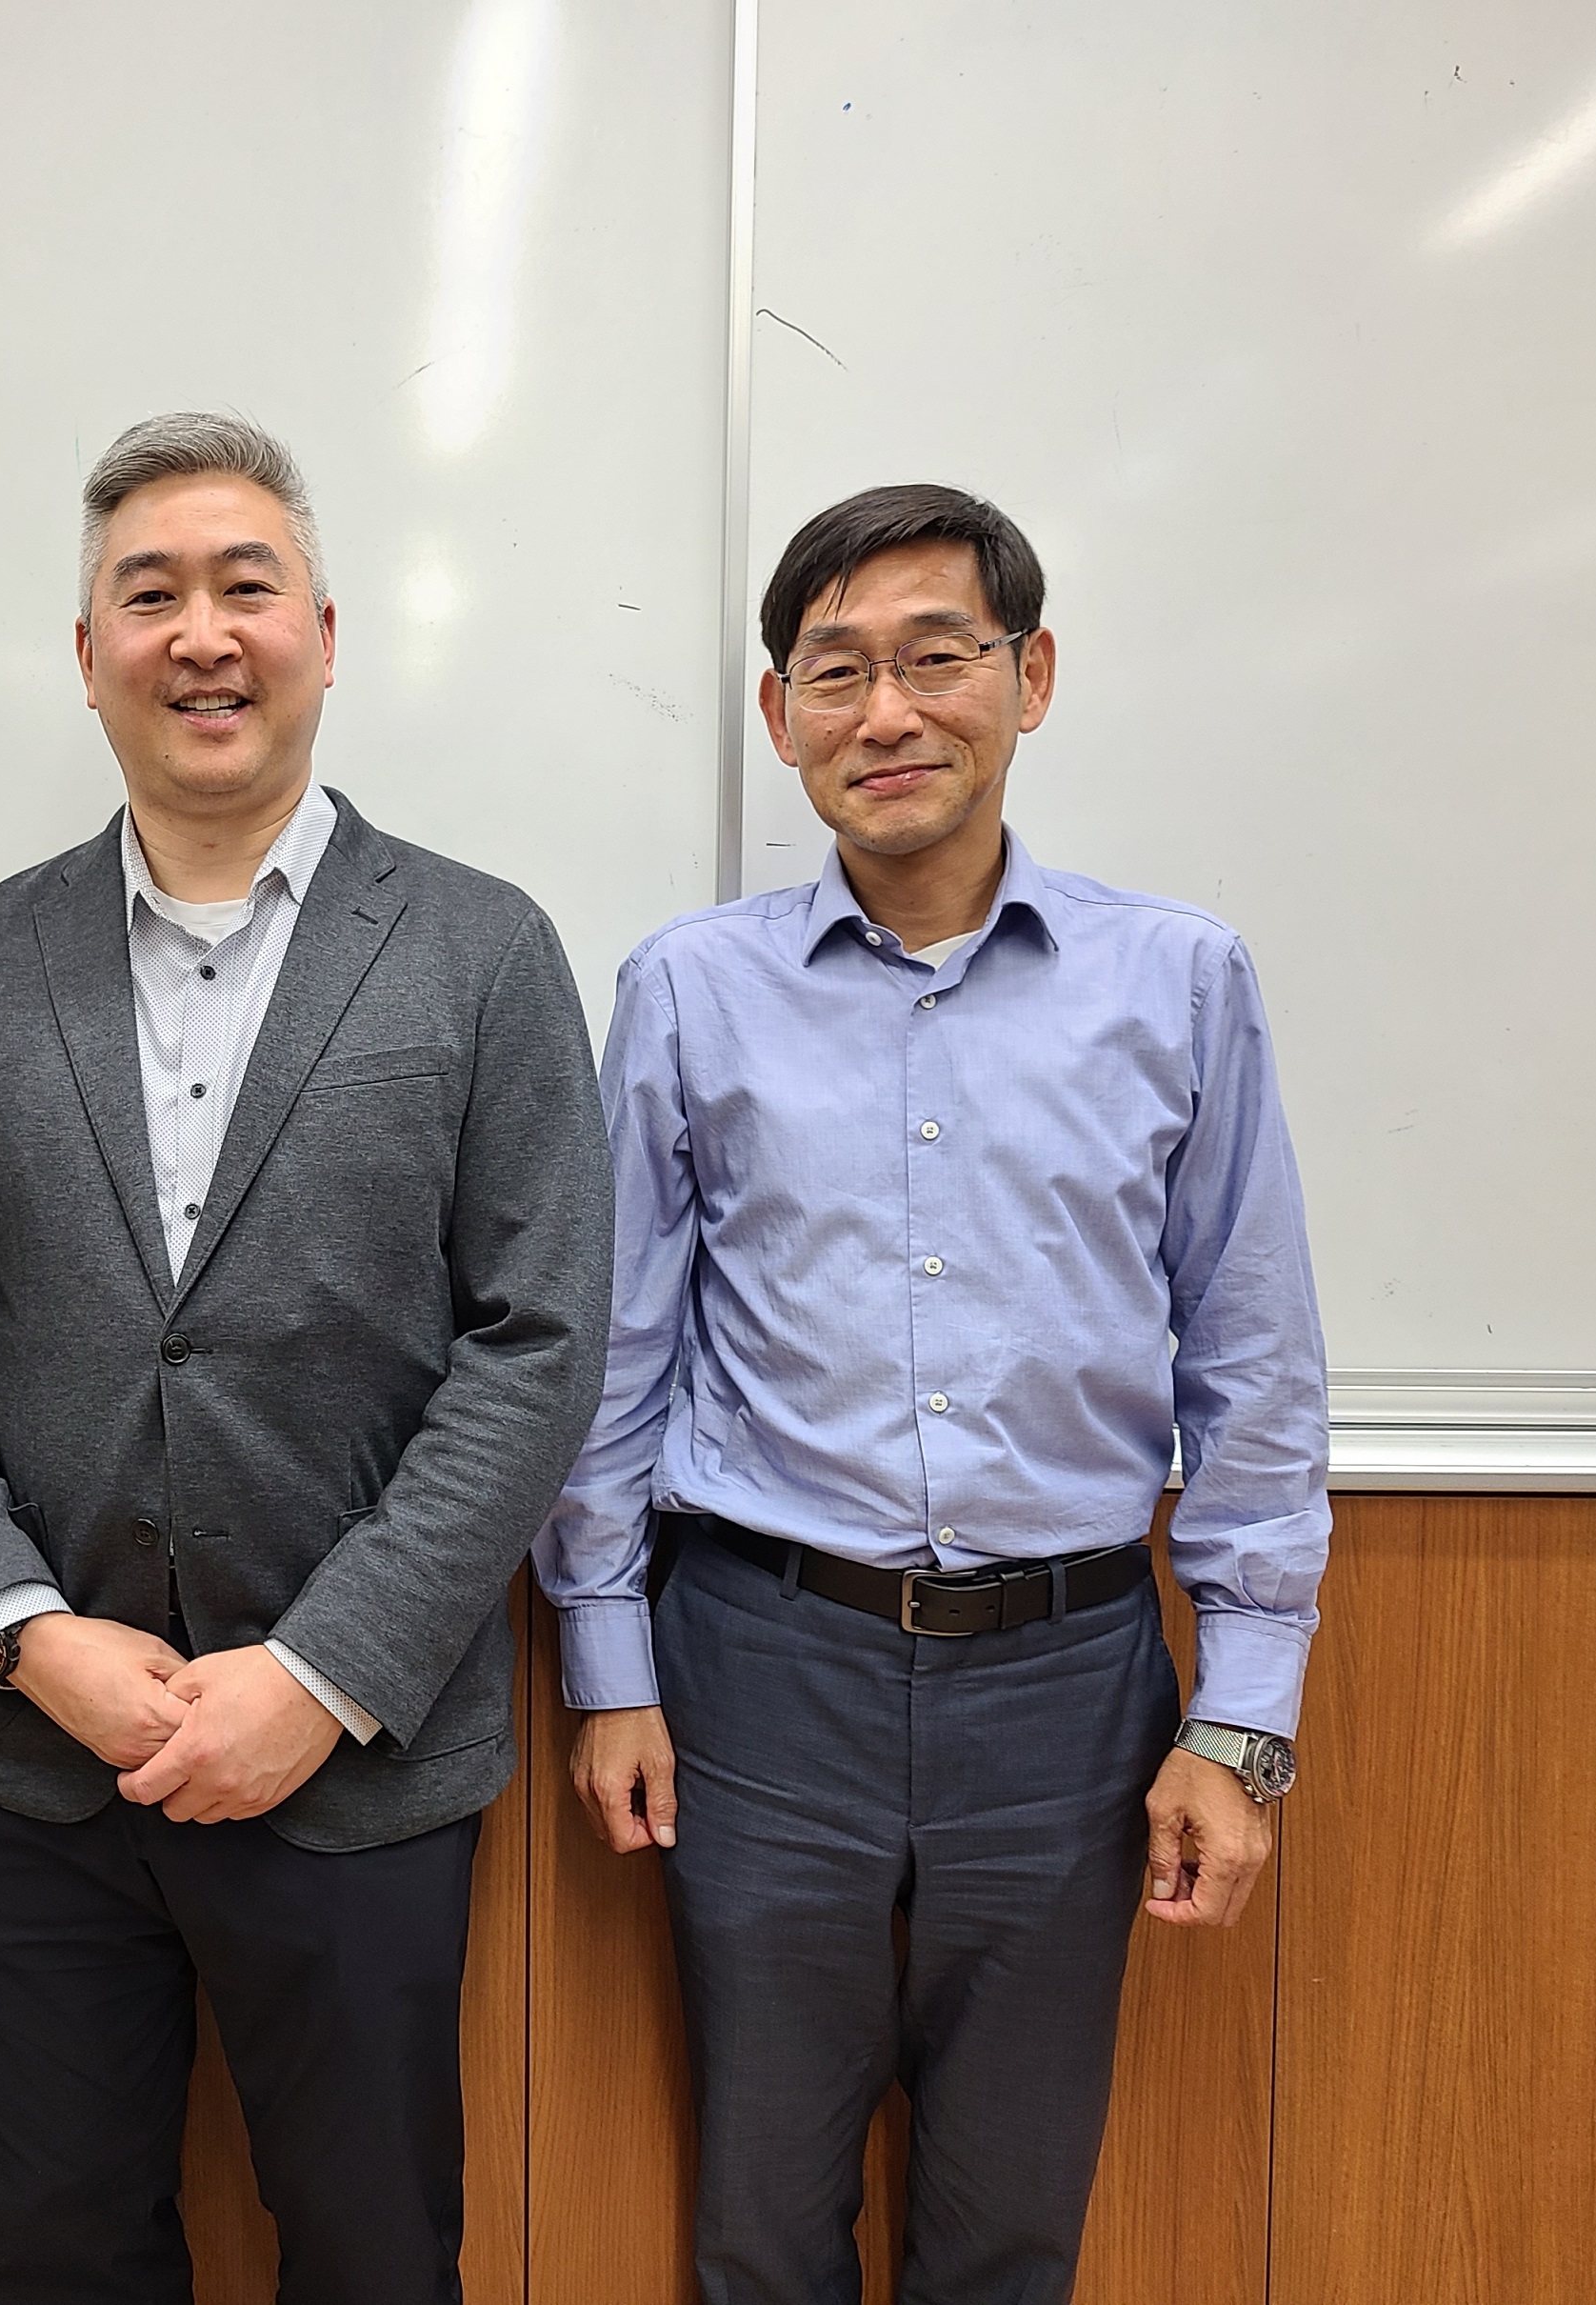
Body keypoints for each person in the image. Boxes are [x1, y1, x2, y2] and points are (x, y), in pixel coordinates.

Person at [0, 411, 612, 2304]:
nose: (201, 631)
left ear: (324, 635)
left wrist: (320, 1674)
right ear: (81, 654)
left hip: (350, 1767)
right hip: (30, 1766)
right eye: (147, 593)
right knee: (54, 2256)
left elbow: (535, 1344)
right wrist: (23, 1631)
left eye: (244, 586)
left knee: (367, 2256)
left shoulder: (480, 952)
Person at [536, 484, 1327, 2305]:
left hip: (1068, 1685)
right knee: (757, 2218)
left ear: (1028, 678)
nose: (884, 715)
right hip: (759, 1670)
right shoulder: (686, 993)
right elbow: (614, 1362)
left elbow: (1254, 1366)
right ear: (777, 717)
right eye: (834, 672)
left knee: (1009, 2228)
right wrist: (610, 1664)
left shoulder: (1178, 982)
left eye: (934, 659)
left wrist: (1242, 1720)